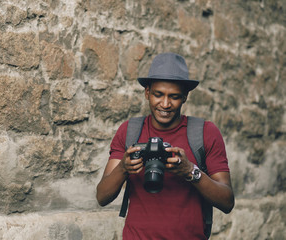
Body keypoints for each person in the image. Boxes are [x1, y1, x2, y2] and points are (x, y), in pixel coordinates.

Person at [96, 52, 234, 239]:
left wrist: (190, 171)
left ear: (185, 96)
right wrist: (123, 168)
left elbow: (227, 202)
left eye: (174, 97)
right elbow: (102, 197)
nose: (165, 104)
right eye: (158, 95)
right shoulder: (130, 131)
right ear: (147, 92)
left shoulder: (205, 133)